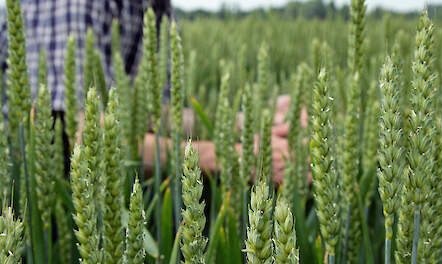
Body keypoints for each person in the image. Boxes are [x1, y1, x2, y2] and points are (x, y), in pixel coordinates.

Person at [0, 0, 294, 183]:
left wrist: (254, 120)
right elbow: (87, 135)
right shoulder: (72, 4)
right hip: (31, 188)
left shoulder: (157, 8)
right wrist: (228, 157)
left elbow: (152, 117)